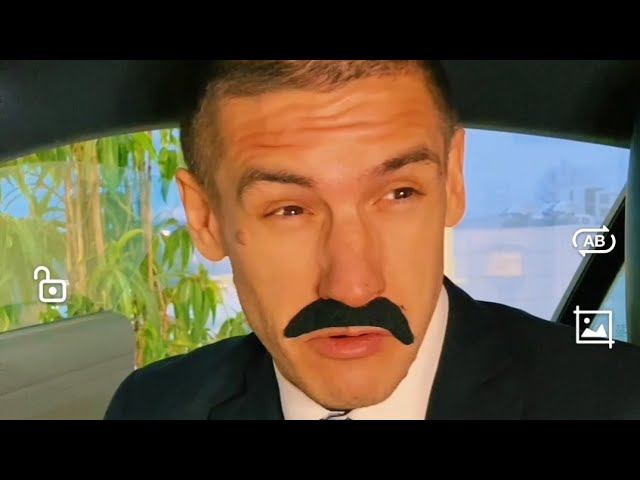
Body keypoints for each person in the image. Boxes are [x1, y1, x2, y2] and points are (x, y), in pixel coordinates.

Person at [105, 61, 640, 420]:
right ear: (205, 219)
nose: (353, 288)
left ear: (453, 182)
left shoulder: (620, 400)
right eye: (289, 210)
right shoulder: (153, 407)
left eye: (399, 194)